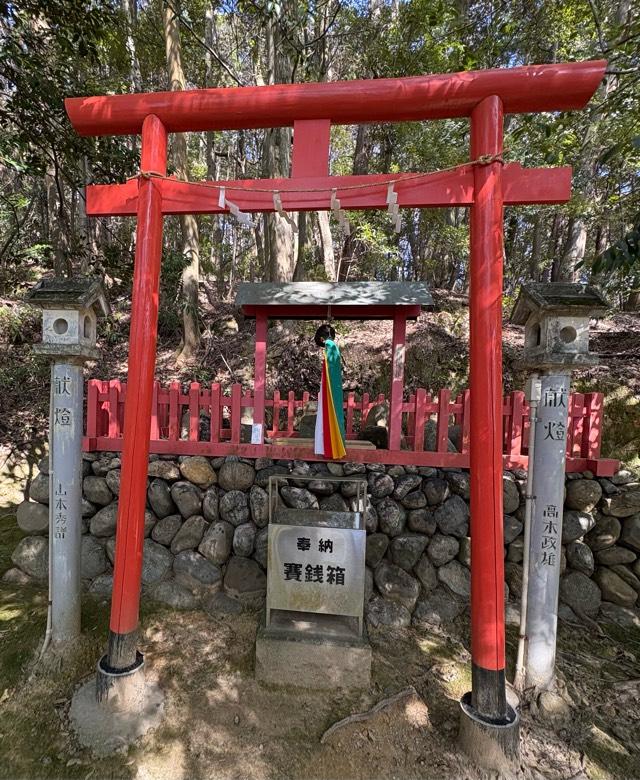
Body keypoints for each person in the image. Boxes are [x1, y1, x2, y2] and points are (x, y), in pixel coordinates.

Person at [314, 323, 346, 458]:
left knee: (326, 414)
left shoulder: (329, 346)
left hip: (329, 387)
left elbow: (330, 369)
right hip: (331, 385)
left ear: (322, 339)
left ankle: (328, 448)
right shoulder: (333, 346)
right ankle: (328, 447)